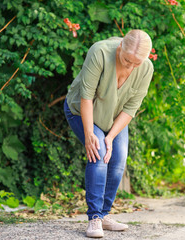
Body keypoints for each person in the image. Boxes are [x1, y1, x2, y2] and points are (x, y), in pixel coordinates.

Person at [64, 29, 154, 238]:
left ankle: (104, 215)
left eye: (136, 63)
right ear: (120, 46)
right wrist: (89, 134)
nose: (130, 66)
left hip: (113, 118)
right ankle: (94, 218)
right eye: (126, 60)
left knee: (118, 158)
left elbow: (131, 108)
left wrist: (111, 135)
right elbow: (86, 97)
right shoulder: (100, 52)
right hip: (82, 110)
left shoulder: (146, 68)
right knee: (99, 151)